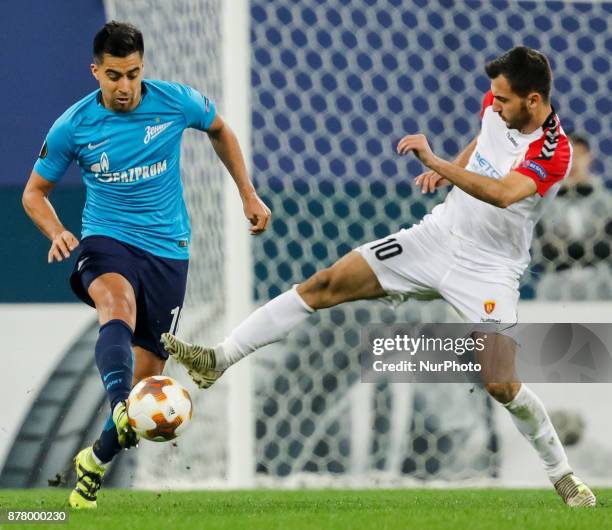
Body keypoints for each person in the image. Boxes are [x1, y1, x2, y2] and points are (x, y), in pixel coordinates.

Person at [163, 46, 596, 507]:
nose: (495, 103)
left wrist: (436, 164)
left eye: (505, 99)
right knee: (324, 284)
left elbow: (504, 194)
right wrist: (455, 168)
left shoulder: (555, 151)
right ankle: (218, 359)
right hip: (437, 237)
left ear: (533, 101)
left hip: (489, 270)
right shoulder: (498, 106)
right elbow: (484, 141)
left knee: (501, 384)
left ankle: (563, 475)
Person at [22, 21, 270, 509]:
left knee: (145, 383)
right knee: (117, 303)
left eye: (133, 74)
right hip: (106, 240)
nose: (125, 87)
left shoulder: (174, 101)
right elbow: (34, 193)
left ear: (143, 68)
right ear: (96, 71)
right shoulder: (73, 125)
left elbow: (220, 128)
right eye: (114, 75)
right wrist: (57, 231)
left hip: (169, 252)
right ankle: (119, 408)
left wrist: (248, 193)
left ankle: (94, 461)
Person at [533, 133, 612, 299]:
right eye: (566, 156)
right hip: (555, 285)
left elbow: (607, 248)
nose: (572, 162)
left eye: (578, 155)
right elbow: (543, 252)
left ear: (589, 158)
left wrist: (564, 248)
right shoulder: (544, 204)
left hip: (600, 284)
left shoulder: (606, 203)